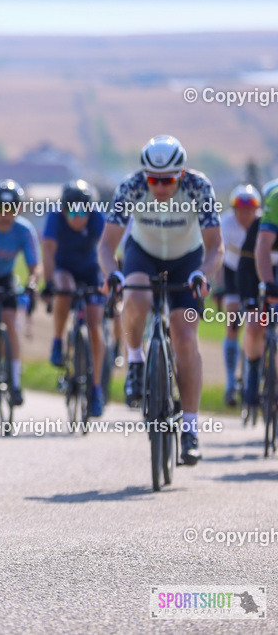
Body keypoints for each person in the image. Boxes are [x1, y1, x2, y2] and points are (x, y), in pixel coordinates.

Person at [99, 135, 223, 466]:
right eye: (153, 180)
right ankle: (136, 362)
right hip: (144, 254)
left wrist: (204, 274)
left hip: (187, 259)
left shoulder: (198, 187)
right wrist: (113, 273)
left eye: (167, 180)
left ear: (180, 175)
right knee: (135, 295)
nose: (160, 187)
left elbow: (216, 247)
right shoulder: (131, 187)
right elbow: (106, 245)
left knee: (184, 336)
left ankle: (191, 428)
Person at [42, 180, 107, 417]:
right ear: (63, 209)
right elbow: (48, 251)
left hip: (91, 270)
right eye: (73, 211)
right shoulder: (54, 218)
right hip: (64, 267)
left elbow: (109, 248)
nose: (79, 217)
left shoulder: (99, 217)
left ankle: (96, 389)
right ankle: (58, 341)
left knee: (95, 326)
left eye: (84, 211)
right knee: (64, 289)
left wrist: (111, 280)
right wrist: (49, 283)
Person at [0, 179, 42, 406]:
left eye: (10, 209)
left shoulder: (23, 230)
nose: (5, 214)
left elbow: (34, 266)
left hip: (6, 280)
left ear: (18, 209)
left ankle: (15, 381)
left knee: (10, 323)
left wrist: (32, 282)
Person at [237, 180, 278, 416]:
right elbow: (244, 269)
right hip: (257, 274)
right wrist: (250, 302)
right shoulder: (257, 227)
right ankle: (252, 374)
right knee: (254, 325)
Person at [220, 185, 262, 405]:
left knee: (260, 320)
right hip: (232, 272)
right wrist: (219, 288)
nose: (245, 215)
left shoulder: (263, 223)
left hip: (255, 272)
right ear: (233, 210)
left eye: (250, 210)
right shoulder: (225, 224)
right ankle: (230, 382)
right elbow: (217, 255)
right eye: (240, 210)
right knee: (232, 321)